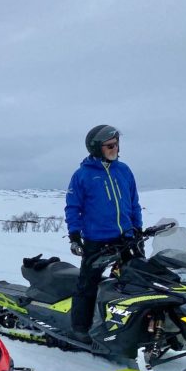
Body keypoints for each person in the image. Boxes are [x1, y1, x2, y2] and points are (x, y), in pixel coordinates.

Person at [65, 125, 143, 342]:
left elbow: (133, 202)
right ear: (96, 148)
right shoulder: (83, 175)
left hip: (127, 237)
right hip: (97, 239)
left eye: (116, 144)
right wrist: (74, 235)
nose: (115, 148)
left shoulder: (124, 170)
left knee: (138, 280)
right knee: (88, 284)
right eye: (110, 145)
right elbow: (73, 207)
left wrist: (137, 228)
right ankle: (80, 328)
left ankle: (136, 326)